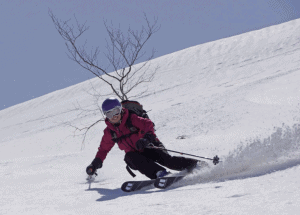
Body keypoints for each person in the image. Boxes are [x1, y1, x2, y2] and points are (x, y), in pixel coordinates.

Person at [86, 98, 199, 179]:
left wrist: (146, 138)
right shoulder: (109, 132)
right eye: (109, 114)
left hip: (149, 145)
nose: (114, 117)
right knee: (129, 157)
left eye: (115, 112)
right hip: (137, 156)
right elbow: (103, 149)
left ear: (120, 109)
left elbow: (148, 124)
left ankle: (198, 165)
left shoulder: (131, 118)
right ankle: (159, 174)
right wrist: (94, 164)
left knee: (168, 161)